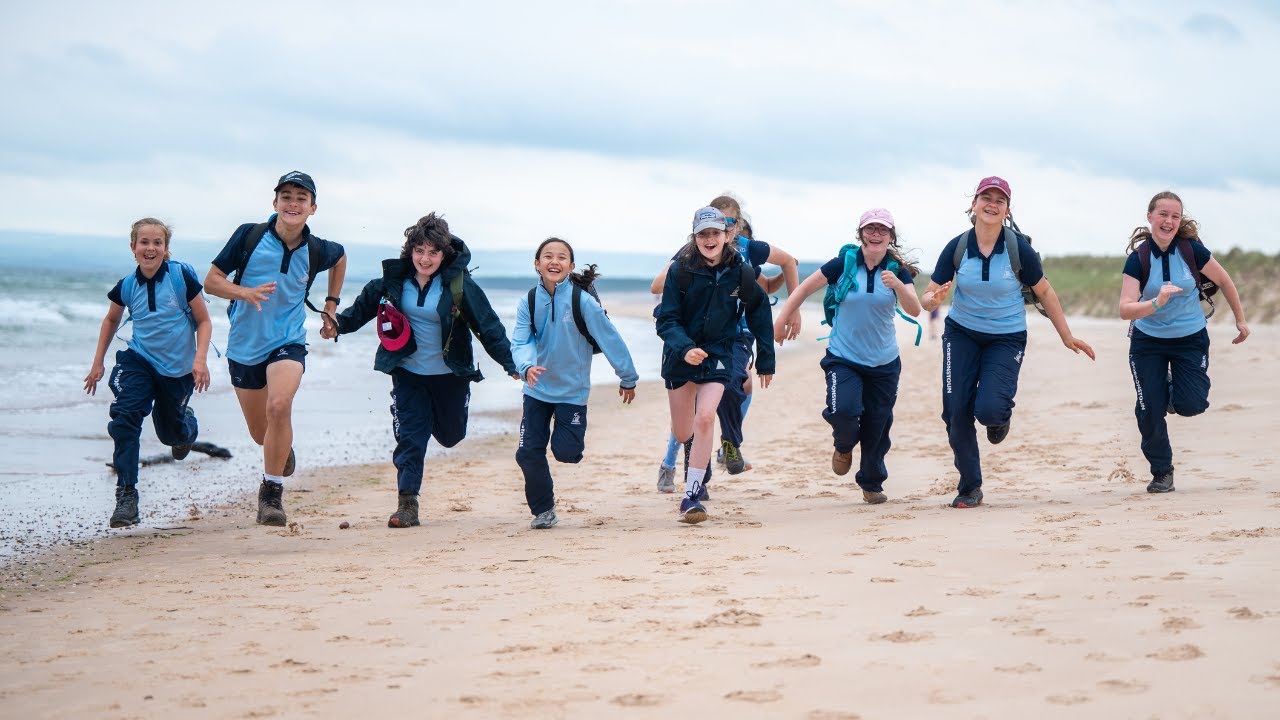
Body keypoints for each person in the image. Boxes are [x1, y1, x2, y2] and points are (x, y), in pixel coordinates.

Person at [324, 213, 518, 527]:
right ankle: (407, 504)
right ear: (409, 250)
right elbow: (360, 310)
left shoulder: (459, 286)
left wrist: (511, 364)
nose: (424, 259)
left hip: (449, 375)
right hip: (408, 372)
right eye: (419, 250)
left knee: (451, 435)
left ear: (444, 255)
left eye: (432, 252)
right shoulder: (394, 282)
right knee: (412, 437)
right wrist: (337, 326)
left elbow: (489, 327)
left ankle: (420, 419)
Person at [920, 177, 1095, 508]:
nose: (992, 204)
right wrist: (933, 299)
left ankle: (1000, 416)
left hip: (1007, 337)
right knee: (955, 412)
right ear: (973, 204)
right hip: (962, 333)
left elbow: (1045, 291)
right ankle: (970, 486)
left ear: (1007, 210)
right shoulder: (957, 247)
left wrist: (1067, 337)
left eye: (999, 200)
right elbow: (928, 297)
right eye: (986, 197)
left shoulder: (1018, 249)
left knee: (989, 410)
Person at [204, 171, 347, 527]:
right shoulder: (249, 236)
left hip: (288, 342)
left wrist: (331, 305)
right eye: (286, 196)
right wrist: (244, 293)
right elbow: (211, 282)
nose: (293, 203)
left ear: (313, 208)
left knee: (279, 405)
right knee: (261, 433)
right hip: (244, 346)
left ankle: (271, 495)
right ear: (275, 203)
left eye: (301, 198)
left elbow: (341, 257)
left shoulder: (317, 249)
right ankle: (279, 452)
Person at [771, 208, 921, 504]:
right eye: (870, 228)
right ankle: (843, 445)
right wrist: (783, 318)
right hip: (844, 357)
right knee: (843, 412)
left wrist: (897, 287)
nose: (876, 234)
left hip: (884, 362)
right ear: (861, 233)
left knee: (878, 425)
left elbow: (915, 309)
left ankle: (871, 483)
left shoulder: (896, 271)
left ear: (891, 237)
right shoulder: (843, 264)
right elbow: (802, 289)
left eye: (882, 230)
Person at [651, 196, 799, 494]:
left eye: (721, 229)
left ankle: (697, 487)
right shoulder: (682, 265)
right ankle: (673, 461)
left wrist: (769, 356)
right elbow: (664, 314)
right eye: (704, 233)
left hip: (725, 345)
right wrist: (683, 346)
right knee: (685, 427)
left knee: (716, 406)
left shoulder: (742, 263)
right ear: (695, 236)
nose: (712, 237)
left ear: (732, 230)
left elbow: (760, 305)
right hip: (683, 349)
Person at [1118, 191, 1249, 493]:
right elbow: (1125, 308)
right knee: (1149, 408)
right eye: (1162, 214)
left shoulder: (1192, 251)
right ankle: (1162, 472)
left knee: (1192, 404)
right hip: (1147, 341)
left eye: (1175, 216)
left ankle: (1164, 390)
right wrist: (1156, 302)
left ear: (1180, 221)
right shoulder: (1138, 259)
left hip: (1190, 339)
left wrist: (1240, 320)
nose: (1169, 221)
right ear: (1150, 217)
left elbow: (1226, 281)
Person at [84, 218, 212, 527]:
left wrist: (200, 359)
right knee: (125, 416)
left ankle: (186, 425)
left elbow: (204, 320)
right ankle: (126, 495)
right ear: (133, 248)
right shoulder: (127, 285)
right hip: (138, 361)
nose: (150, 248)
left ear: (166, 249)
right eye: (144, 242)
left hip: (177, 371)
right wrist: (98, 362)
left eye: (157, 243)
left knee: (171, 433)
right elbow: (111, 320)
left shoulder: (180, 279)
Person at [511, 238, 639, 529]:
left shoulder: (582, 301)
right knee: (527, 452)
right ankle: (544, 510)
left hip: (572, 392)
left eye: (561, 257)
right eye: (547, 256)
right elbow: (520, 341)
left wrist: (627, 377)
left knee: (566, 453)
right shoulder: (528, 301)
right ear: (537, 264)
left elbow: (609, 338)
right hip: (536, 389)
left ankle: (567, 446)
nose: (554, 261)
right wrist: (526, 365)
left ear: (570, 265)